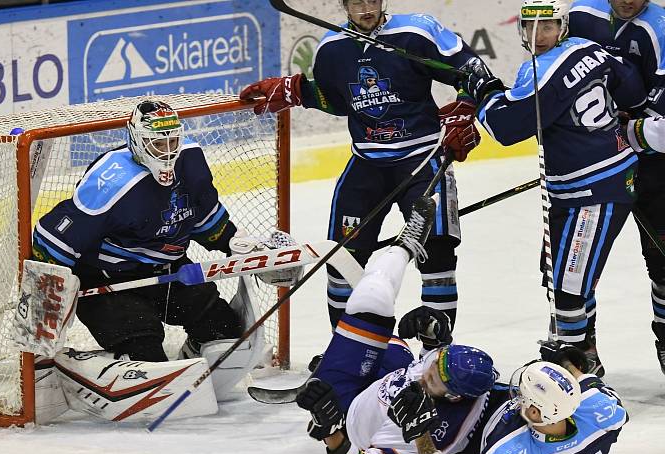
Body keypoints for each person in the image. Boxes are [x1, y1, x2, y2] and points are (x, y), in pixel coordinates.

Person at [239, 0, 493, 342]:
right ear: (344, 4)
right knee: (341, 262)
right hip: (367, 166)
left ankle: (435, 355)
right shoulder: (332, 48)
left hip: (422, 160)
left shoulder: (415, 31)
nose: (366, 8)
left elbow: (473, 72)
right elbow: (337, 99)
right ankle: (346, 352)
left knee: (439, 257)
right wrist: (297, 91)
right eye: (356, 1)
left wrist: (464, 108)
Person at [31, 100, 295, 387]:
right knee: (145, 355)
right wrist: (49, 305)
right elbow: (52, 242)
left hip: (168, 272)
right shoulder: (113, 180)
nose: (168, 151)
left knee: (224, 331)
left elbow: (203, 217)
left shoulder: (191, 159)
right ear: (138, 141)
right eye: (159, 144)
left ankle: (194, 355)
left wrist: (233, 242)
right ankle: (73, 369)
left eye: (173, 141)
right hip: (107, 284)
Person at [461, 0, 647, 375]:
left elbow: (506, 127)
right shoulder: (589, 48)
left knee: (568, 287)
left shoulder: (542, 70)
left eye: (546, 27)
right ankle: (585, 353)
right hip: (593, 182)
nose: (537, 36)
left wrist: (482, 91)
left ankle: (576, 369)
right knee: (564, 276)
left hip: (594, 189)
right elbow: (633, 90)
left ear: (561, 26)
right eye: (529, 28)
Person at [294, 193, 499, 454]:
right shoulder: (453, 377)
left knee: (371, 298)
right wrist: (434, 340)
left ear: (454, 397)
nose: (429, 369)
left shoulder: (431, 430)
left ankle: (333, 366)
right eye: (438, 362)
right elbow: (437, 365)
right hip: (391, 371)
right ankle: (406, 245)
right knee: (379, 306)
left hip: (347, 411)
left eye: (436, 376)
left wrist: (331, 429)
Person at [389, 347, 628, 454]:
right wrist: (563, 365)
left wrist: (420, 432)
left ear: (534, 412)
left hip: (472, 441)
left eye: (521, 395)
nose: (516, 394)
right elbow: (588, 384)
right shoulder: (602, 412)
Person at [568, 0, 665, 374]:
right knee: (576, 264)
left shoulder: (660, 28)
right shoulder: (578, 15)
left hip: (653, 166)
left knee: (662, 260)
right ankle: (581, 348)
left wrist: (626, 131)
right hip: (591, 166)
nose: (628, 0)